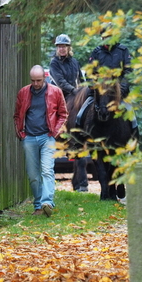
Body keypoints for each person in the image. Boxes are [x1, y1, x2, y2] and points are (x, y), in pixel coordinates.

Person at [14, 65, 69, 216]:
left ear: (44, 78)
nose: (36, 84)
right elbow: (17, 115)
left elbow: (63, 114)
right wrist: (21, 134)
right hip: (29, 138)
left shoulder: (55, 91)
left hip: (47, 137)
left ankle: (47, 203)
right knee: (33, 175)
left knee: (47, 170)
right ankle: (38, 206)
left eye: (38, 80)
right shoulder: (24, 93)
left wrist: (55, 132)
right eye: (33, 81)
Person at [48, 33, 89, 192]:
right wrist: (75, 92)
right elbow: (60, 82)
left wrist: (85, 92)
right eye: (59, 46)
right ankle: (54, 133)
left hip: (74, 95)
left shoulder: (74, 62)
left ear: (68, 48)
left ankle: (80, 182)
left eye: (64, 46)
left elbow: (81, 79)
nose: (62, 49)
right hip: (59, 96)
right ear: (57, 48)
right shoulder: (54, 63)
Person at [82, 30, 138, 135]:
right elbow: (89, 72)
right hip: (98, 94)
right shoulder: (96, 52)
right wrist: (93, 86)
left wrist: (122, 88)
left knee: (132, 116)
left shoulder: (123, 51)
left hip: (118, 92)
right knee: (80, 114)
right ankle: (78, 140)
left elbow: (128, 72)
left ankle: (134, 140)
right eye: (105, 36)